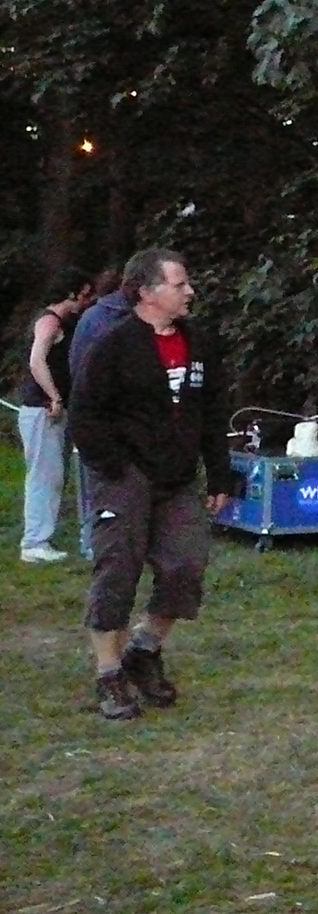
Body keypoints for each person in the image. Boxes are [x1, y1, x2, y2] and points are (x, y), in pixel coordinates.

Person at [68, 248, 234, 721]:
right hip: (125, 475)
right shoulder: (114, 345)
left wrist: (219, 472)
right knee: (117, 570)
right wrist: (114, 466)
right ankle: (109, 674)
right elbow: (85, 413)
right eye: (179, 284)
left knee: (186, 565)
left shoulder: (198, 343)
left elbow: (212, 412)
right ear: (146, 292)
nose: (190, 292)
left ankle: (143, 651)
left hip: (178, 477)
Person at [14, 265, 94, 562]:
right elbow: (37, 361)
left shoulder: (62, 323)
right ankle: (35, 542)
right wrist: (55, 396)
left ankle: (41, 537)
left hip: (51, 410)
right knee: (45, 476)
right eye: (84, 295)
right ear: (70, 294)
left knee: (54, 474)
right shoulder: (49, 322)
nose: (86, 301)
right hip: (43, 410)